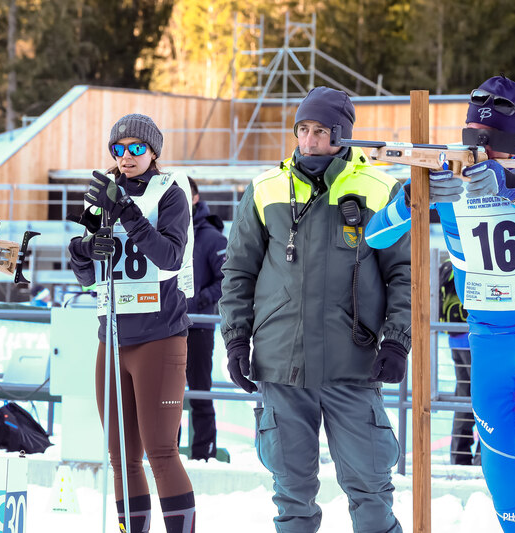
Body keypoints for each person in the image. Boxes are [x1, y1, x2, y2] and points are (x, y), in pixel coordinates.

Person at [365, 75, 515, 532]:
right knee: (500, 471)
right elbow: (374, 236)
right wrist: (412, 199)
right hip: (489, 339)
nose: (485, 154)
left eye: (497, 145)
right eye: (476, 140)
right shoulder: (445, 163)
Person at [219, 87, 411, 533]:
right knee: (291, 492)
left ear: (342, 135)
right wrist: (235, 340)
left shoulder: (381, 189)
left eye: (320, 131)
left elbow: (405, 274)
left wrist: (397, 342)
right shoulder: (265, 189)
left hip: (354, 364)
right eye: (302, 130)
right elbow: (238, 272)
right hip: (282, 365)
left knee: (371, 487)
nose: (308, 141)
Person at [67, 113, 196, 533]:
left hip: (159, 336)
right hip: (112, 337)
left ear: (153, 151)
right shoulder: (101, 194)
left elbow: (170, 257)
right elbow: (87, 278)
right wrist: (84, 251)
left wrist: (127, 213)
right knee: (121, 457)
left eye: (136, 148)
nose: (126, 156)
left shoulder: (169, 192)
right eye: (118, 148)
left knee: (161, 452)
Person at [184, 176, 227, 461]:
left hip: (198, 326)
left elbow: (228, 279)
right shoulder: (164, 232)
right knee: (165, 397)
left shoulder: (212, 238)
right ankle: (164, 452)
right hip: (165, 326)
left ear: (196, 198)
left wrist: (199, 300)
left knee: (200, 391)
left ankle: (203, 454)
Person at [439, 258, 481, 466]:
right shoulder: (476, 260)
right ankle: (484, 459)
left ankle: (459, 456)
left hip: (455, 339)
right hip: (477, 339)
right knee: (487, 398)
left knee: (464, 396)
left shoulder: (450, 263)